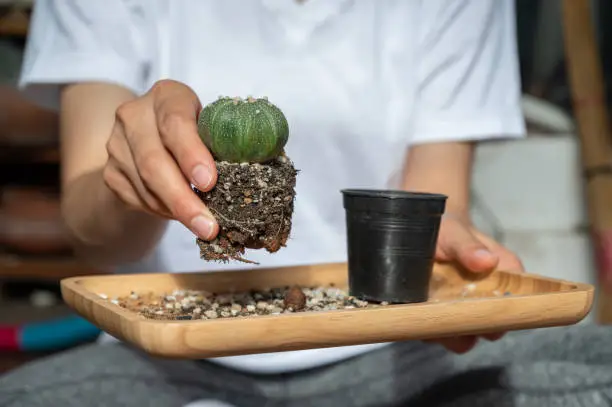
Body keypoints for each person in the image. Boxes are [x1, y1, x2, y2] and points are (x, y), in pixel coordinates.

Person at [2, 1, 611, 406]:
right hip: (168, 352)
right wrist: (128, 182)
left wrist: (445, 250)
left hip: (383, 345)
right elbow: (92, 229)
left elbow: (432, 196)